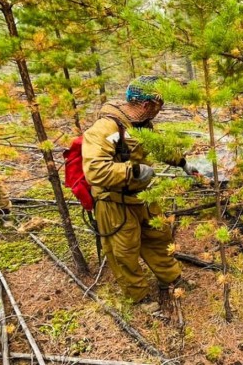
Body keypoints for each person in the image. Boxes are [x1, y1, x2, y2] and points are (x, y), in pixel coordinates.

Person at [82, 76, 197, 311]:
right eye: (158, 106)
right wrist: (132, 172)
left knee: (159, 236)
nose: (159, 111)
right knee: (124, 252)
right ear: (147, 105)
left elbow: (156, 145)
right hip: (114, 204)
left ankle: (170, 278)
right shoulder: (106, 128)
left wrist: (182, 162)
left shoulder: (142, 124)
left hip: (142, 197)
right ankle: (139, 295)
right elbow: (95, 170)